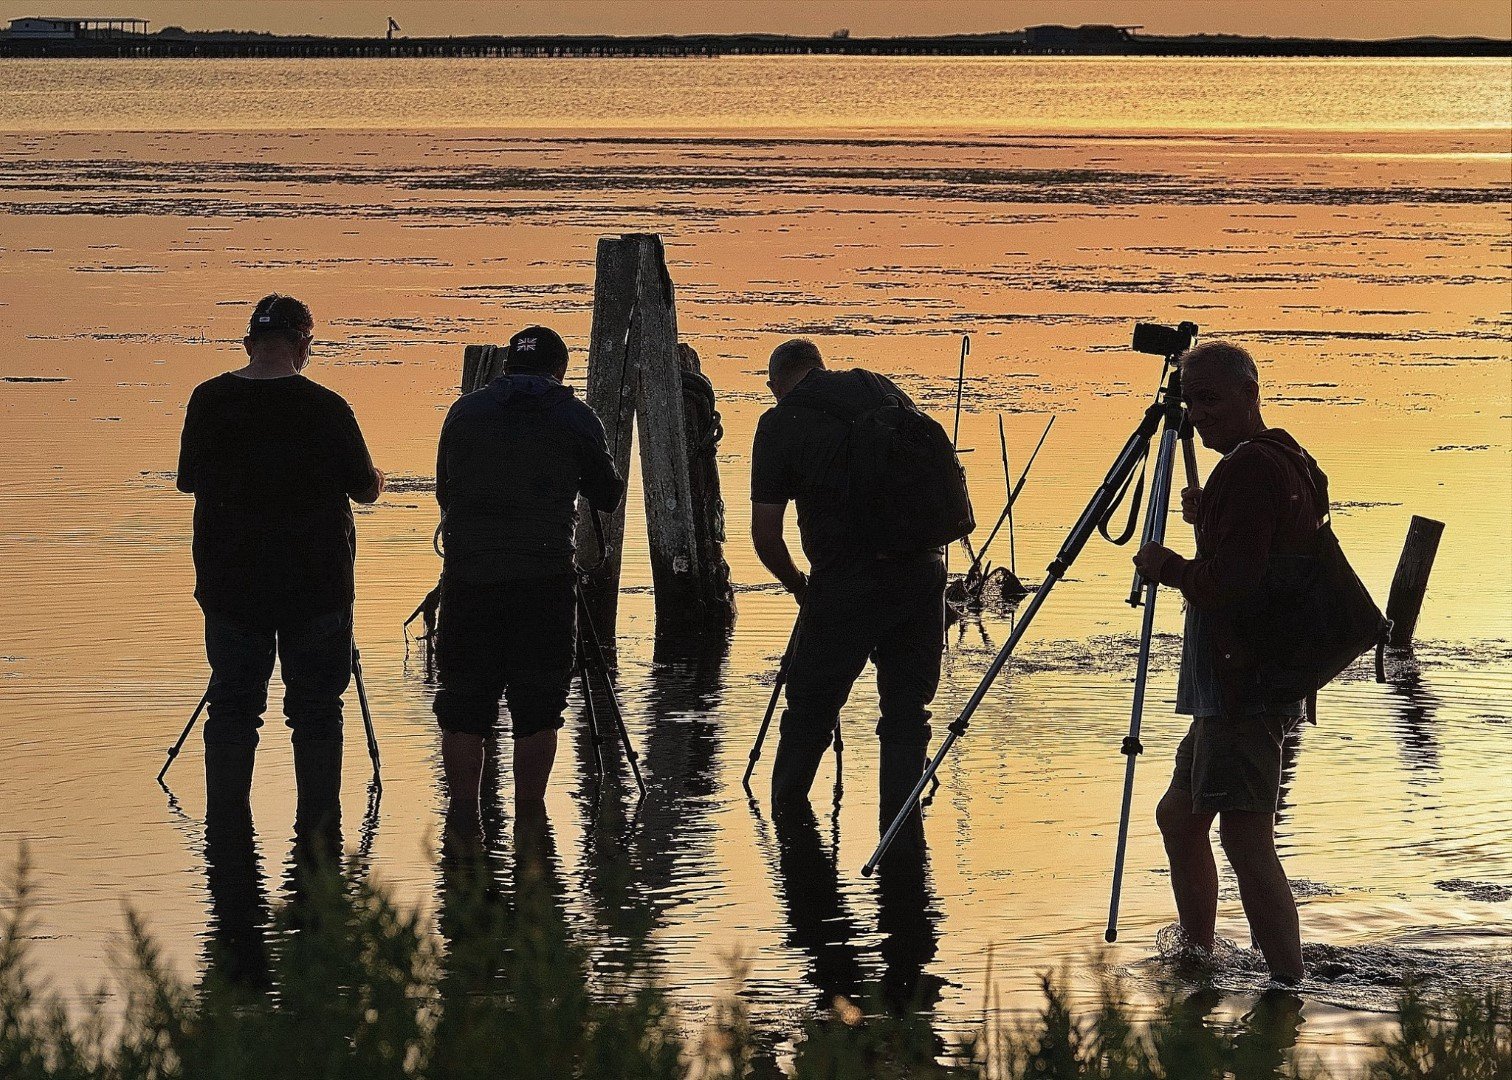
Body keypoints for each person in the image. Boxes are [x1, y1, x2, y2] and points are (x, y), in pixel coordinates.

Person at [1132, 340, 1323, 985]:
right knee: (1180, 818)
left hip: (1243, 683)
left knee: (1245, 837)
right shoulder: (1287, 457)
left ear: (1250, 394)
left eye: (1210, 399)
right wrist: (1212, 517)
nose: (1197, 415)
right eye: (1190, 402)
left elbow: (1234, 584)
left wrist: (1170, 567)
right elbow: (1264, 551)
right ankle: (1198, 957)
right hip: (1245, 681)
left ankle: (1287, 985)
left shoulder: (1249, 469)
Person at [177, 293, 383, 838]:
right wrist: (378, 479)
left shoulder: (208, 399)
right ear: (303, 344)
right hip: (316, 586)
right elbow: (364, 490)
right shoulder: (327, 407)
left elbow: (188, 480)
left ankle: (226, 831)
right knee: (316, 710)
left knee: (233, 708)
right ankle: (319, 835)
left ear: (249, 343)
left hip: (231, 584)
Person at [750, 339, 946, 848]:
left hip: (844, 582)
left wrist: (799, 585)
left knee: (810, 708)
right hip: (921, 573)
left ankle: (789, 823)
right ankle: (901, 834)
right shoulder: (879, 387)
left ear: (776, 385)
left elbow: (766, 537)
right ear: (821, 366)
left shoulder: (780, 422)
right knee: (907, 711)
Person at [433, 325, 623, 830]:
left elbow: (445, 491)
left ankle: (463, 817)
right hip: (543, 579)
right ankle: (530, 817)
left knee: (463, 702)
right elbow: (608, 494)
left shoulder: (464, 411)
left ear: (506, 367)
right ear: (559, 370)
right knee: (539, 705)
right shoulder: (575, 416)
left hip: (470, 578)